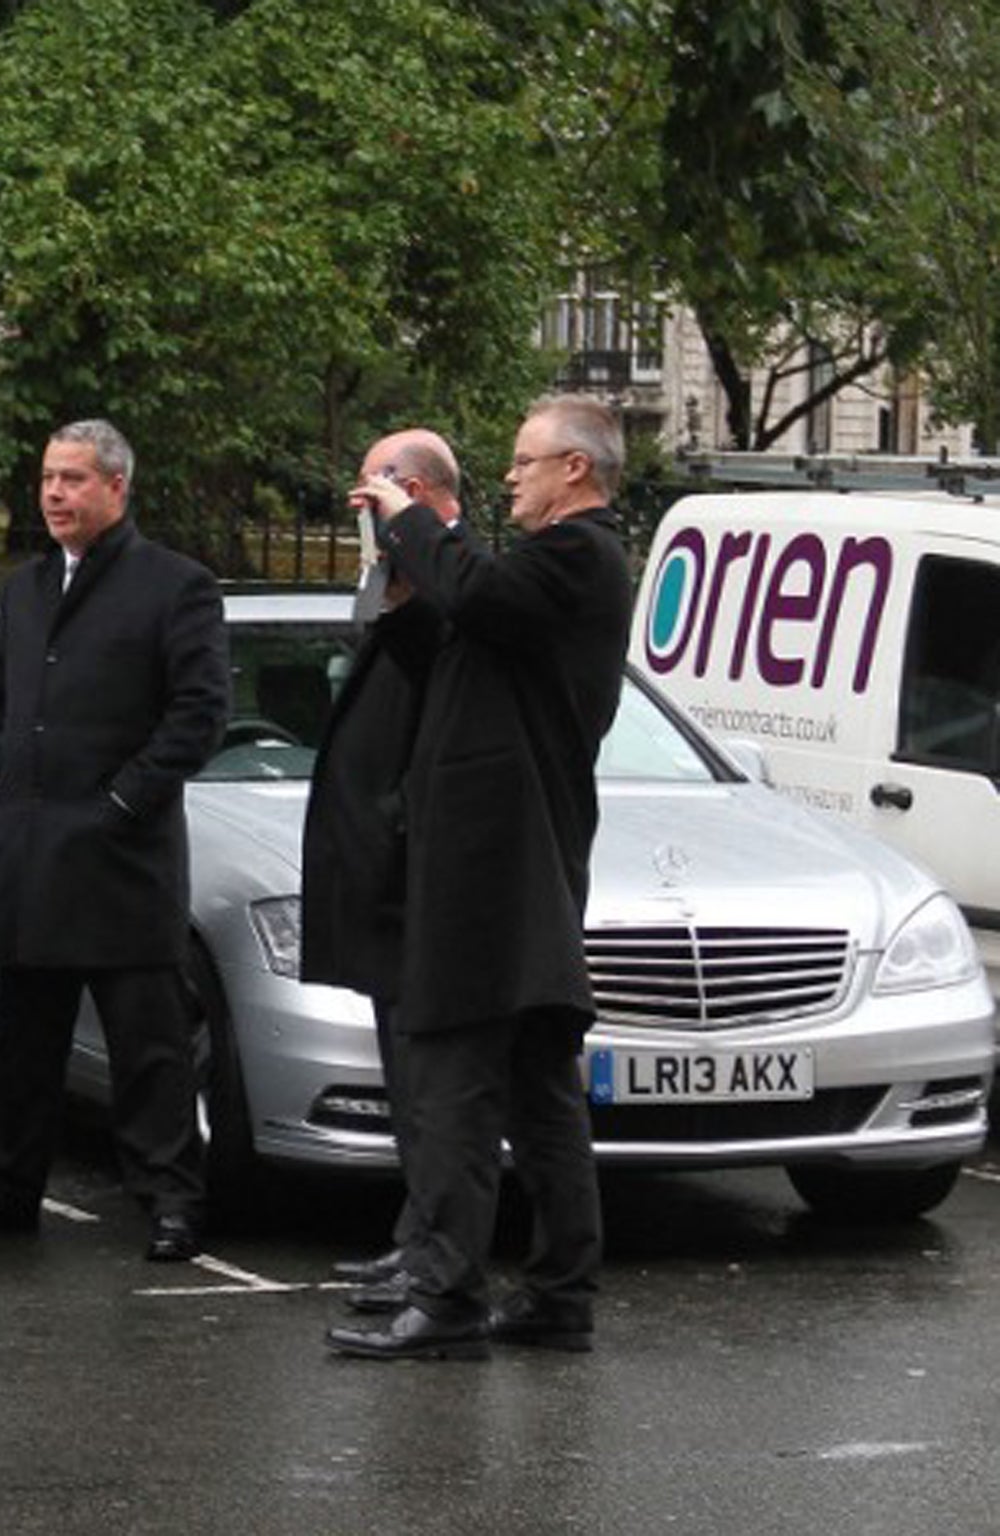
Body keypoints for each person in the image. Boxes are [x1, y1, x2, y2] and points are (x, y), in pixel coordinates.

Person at [324, 396, 633, 1360]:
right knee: (540, 1086)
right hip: (512, 862)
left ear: (575, 471)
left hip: (498, 865)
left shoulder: (580, 556)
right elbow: (461, 653)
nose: (512, 478)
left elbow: (487, 601)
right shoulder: (541, 574)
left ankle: (449, 1295)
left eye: (525, 463)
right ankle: (557, 1291)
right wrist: (409, 584)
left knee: (455, 1078)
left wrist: (418, 518)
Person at [0, 419, 231, 1262]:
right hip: (28, 853)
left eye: (73, 479)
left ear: (116, 488)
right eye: (47, 478)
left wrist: (120, 804)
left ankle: (171, 1200)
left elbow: (197, 714)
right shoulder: (24, 590)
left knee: (149, 1048)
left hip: (120, 860)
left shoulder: (176, 586)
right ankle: (11, 1191)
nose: (55, 494)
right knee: (27, 1047)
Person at [298, 430, 460, 1308]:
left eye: (377, 493)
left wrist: (407, 551)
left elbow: (436, 666)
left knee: (432, 1086)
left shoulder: (456, 580)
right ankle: (416, 1235)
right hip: (381, 881)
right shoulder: (401, 581)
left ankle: (436, 1249)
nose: (363, 511)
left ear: (416, 492)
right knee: (406, 1079)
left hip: (416, 881)